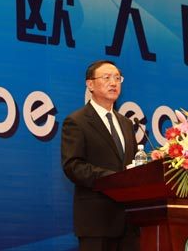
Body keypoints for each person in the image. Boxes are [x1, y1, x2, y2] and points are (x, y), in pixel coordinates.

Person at [61, 60, 140, 251]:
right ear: (90, 84)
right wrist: (114, 179)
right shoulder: (77, 121)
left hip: (130, 222)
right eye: (106, 78)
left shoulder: (127, 124)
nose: (113, 83)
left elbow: (132, 164)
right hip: (97, 222)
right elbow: (73, 166)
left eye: (117, 78)